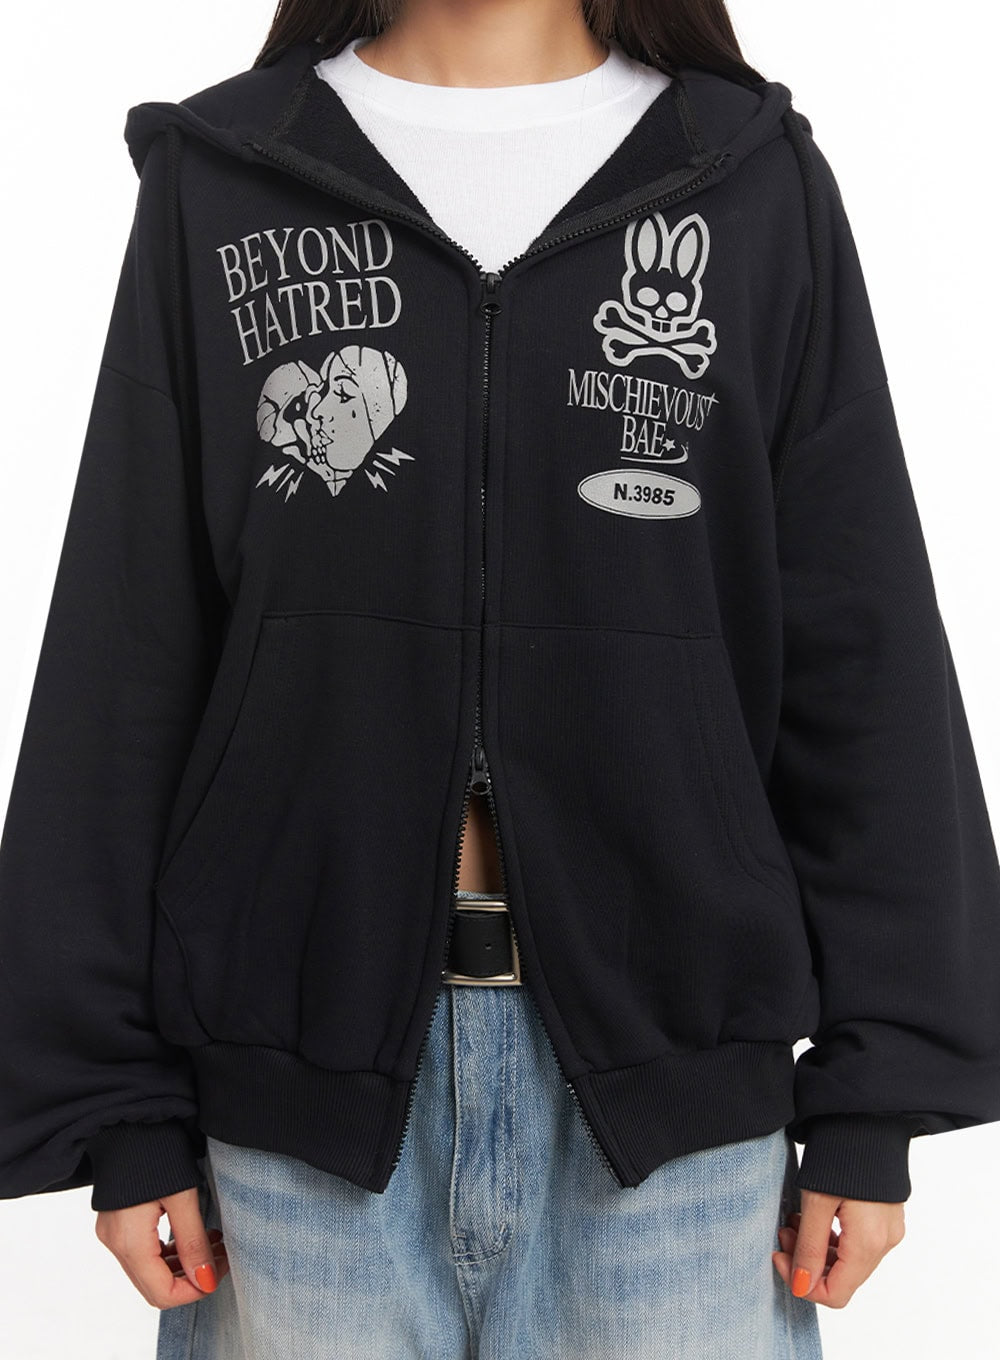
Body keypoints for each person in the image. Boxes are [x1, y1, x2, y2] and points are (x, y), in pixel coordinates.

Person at [2, 0, 999, 1355]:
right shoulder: (227, 178)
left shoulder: (750, 180)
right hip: (296, 1109)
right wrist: (115, 1104)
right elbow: (127, 649)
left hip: (676, 1113)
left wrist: (879, 1092)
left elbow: (861, 644)